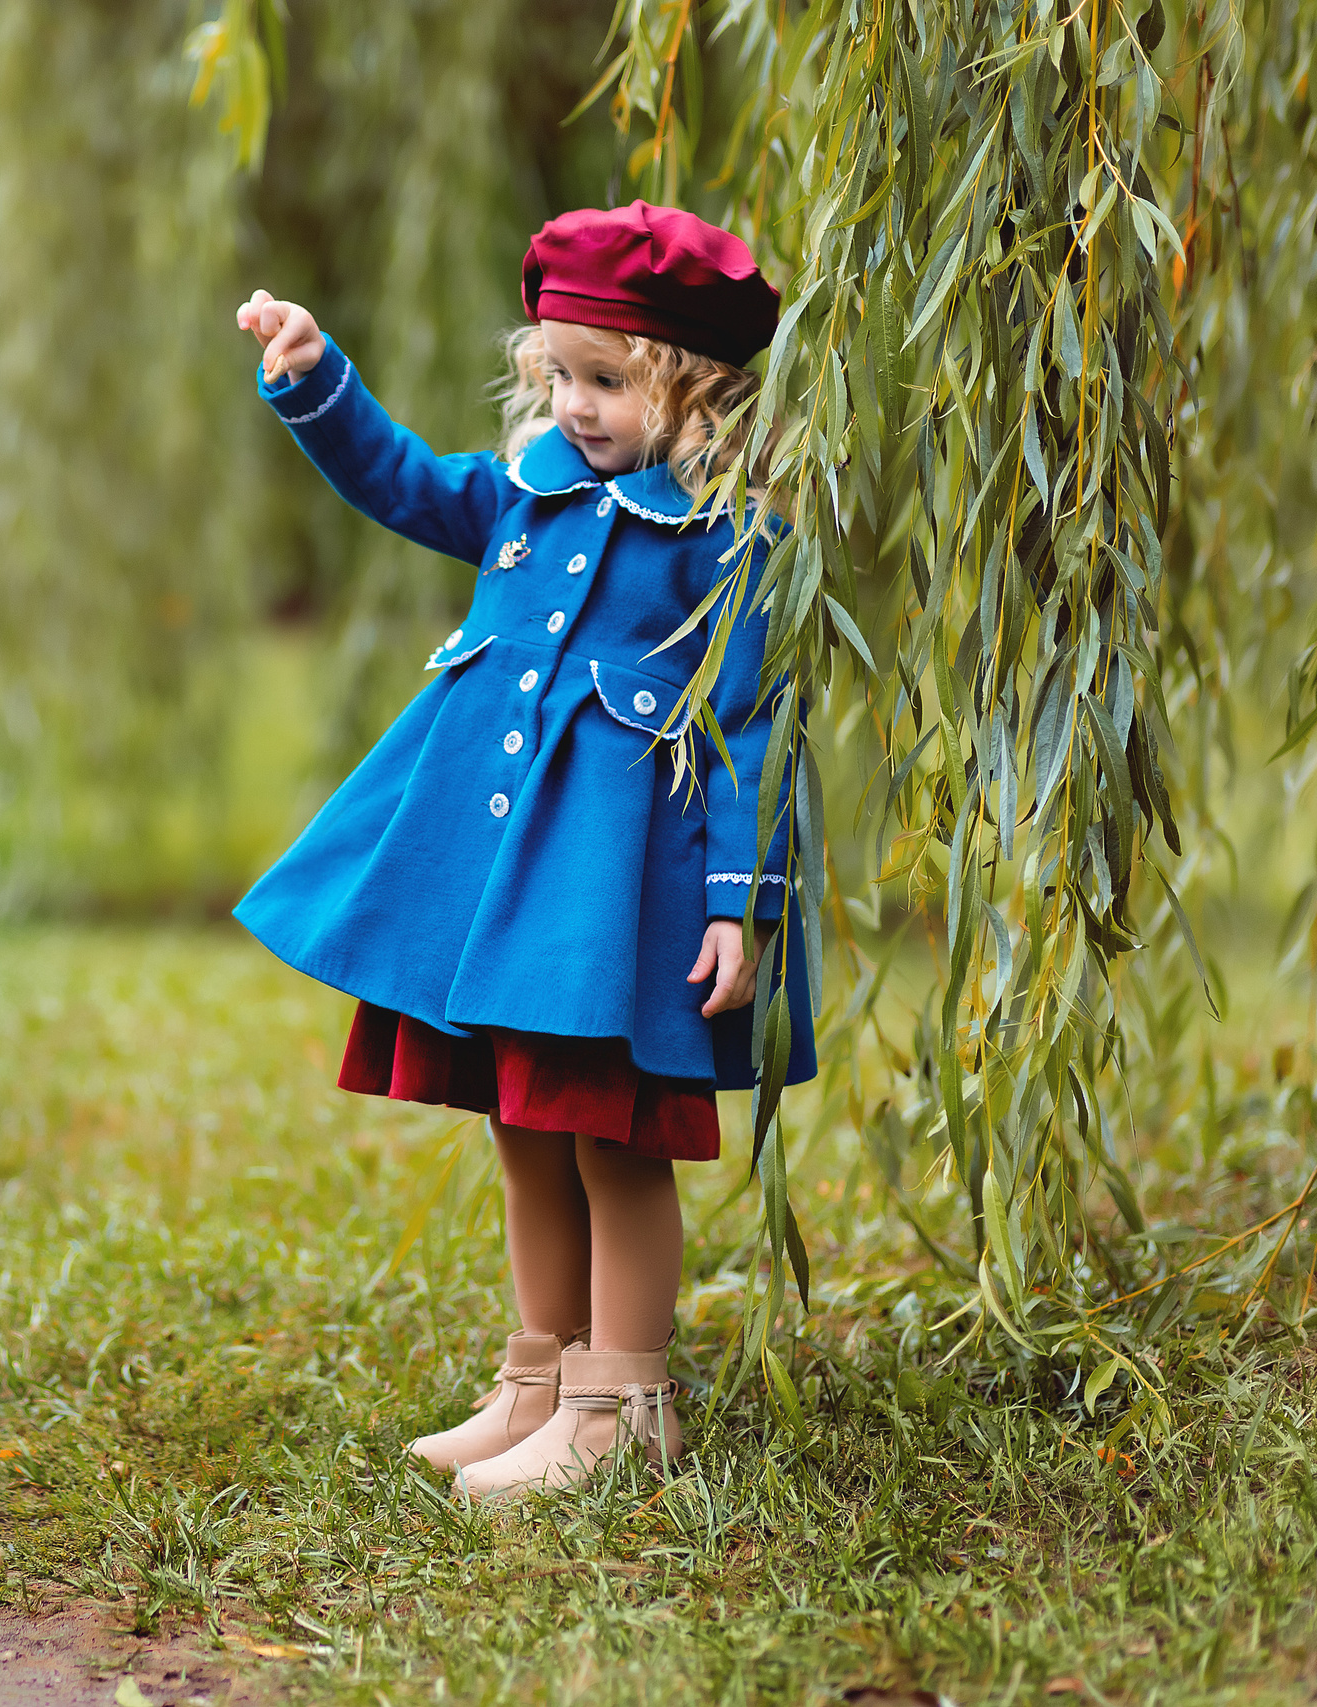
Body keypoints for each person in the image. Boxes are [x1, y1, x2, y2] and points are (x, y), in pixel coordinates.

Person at [231, 202, 817, 1496]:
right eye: (559, 375)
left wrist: (739, 904)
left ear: (697, 391)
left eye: (608, 381)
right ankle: (539, 1381)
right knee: (525, 1121)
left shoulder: (731, 537)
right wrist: (317, 378)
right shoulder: (523, 494)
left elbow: (754, 722)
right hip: (512, 885)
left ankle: (624, 1408)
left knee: (613, 1135)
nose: (577, 406)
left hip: (615, 901)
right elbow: (400, 481)